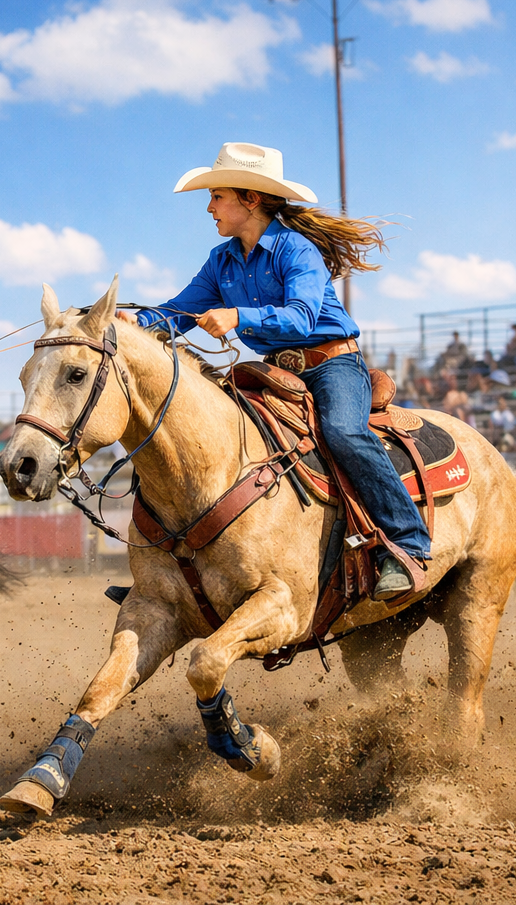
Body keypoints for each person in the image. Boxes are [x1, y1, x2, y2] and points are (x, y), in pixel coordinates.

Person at [130, 142, 431, 601]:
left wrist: (237, 316)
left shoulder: (297, 250)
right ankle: (171, 570)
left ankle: (407, 544)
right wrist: (136, 323)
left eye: (217, 196)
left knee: (344, 433)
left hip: (332, 364)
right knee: (197, 429)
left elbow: (302, 318)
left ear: (250, 199)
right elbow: (179, 311)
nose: (209, 207)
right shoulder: (221, 260)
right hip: (275, 371)